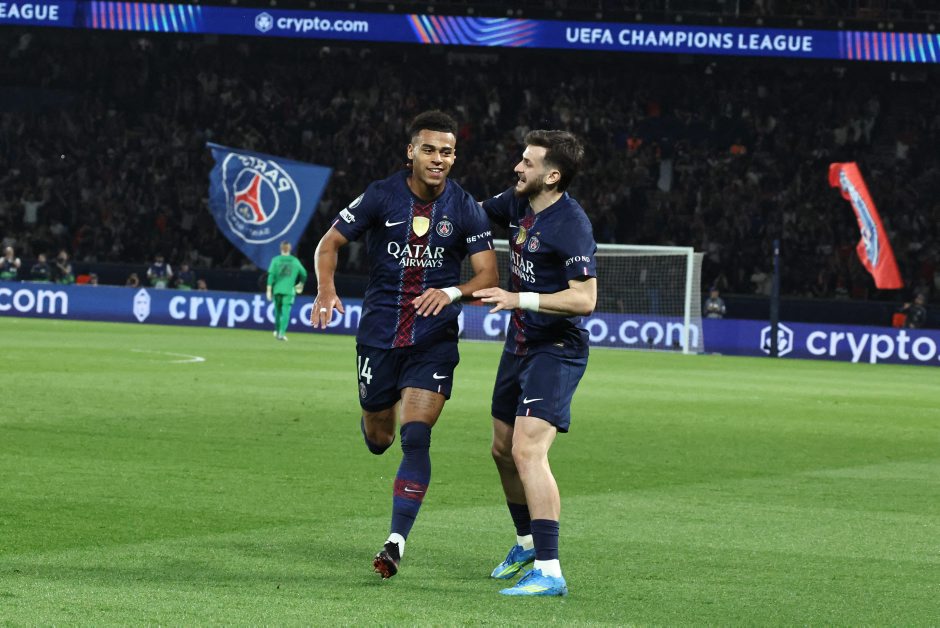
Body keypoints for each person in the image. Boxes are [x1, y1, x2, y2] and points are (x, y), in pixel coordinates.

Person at [311, 110, 498, 580]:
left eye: (447, 152)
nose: (438, 159)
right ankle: (380, 409)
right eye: (429, 149)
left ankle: (395, 541)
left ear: (454, 157)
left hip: (433, 340)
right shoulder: (381, 195)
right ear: (411, 152)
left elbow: (488, 275)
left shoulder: (466, 208)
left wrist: (452, 292)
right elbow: (328, 243)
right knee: (381, 440)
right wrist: (326, 290)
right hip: (379, 335)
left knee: (416, 435)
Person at [472, 129, 597, 597]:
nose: (517, 168)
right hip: (520, 343)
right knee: (502, 449)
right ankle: (526, 544)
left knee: (528, 451)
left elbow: (585, 299)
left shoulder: (571, 224)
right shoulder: (518, 202)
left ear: (553, 175)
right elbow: (471, 214)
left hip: (556, 348)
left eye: (528, 162)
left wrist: (517, 297)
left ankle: (549, 571)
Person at [266, 241, 307, 341]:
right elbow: (304, 273)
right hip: (289, 290)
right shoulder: (294, 261)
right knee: (285, 312)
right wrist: (301, 284)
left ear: (281, 248)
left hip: (277, 289)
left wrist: (268, 290)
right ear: (290, 249)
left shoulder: (275, 260)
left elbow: (271, 276)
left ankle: (277, 331)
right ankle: (281, 333)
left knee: (277, 312)